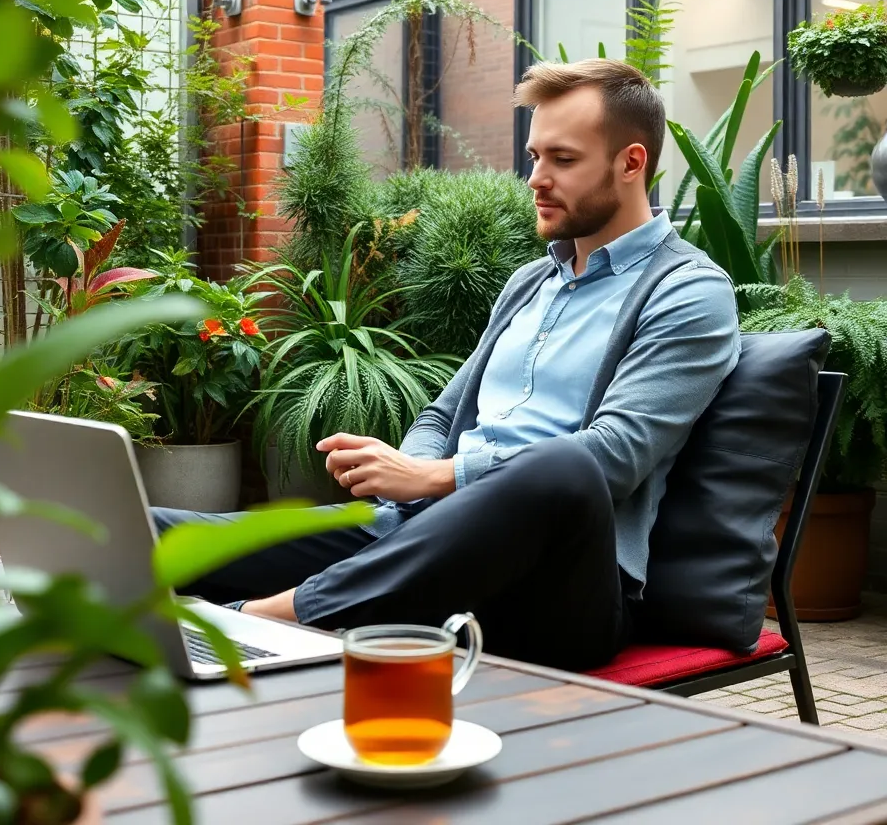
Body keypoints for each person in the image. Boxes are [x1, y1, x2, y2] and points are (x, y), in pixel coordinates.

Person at [151, 58, 740, 671]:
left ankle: (268, 618)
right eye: (535, 156)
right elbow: (442, 414)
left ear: (631, 163)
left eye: (562, 160)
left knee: (562, 465)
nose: (535, 178)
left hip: (558, 591)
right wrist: (411, 471)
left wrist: (439, 478)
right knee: (154, 529)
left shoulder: (686, 291)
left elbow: (614, 456)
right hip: (424, 535)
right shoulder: (530, 282)